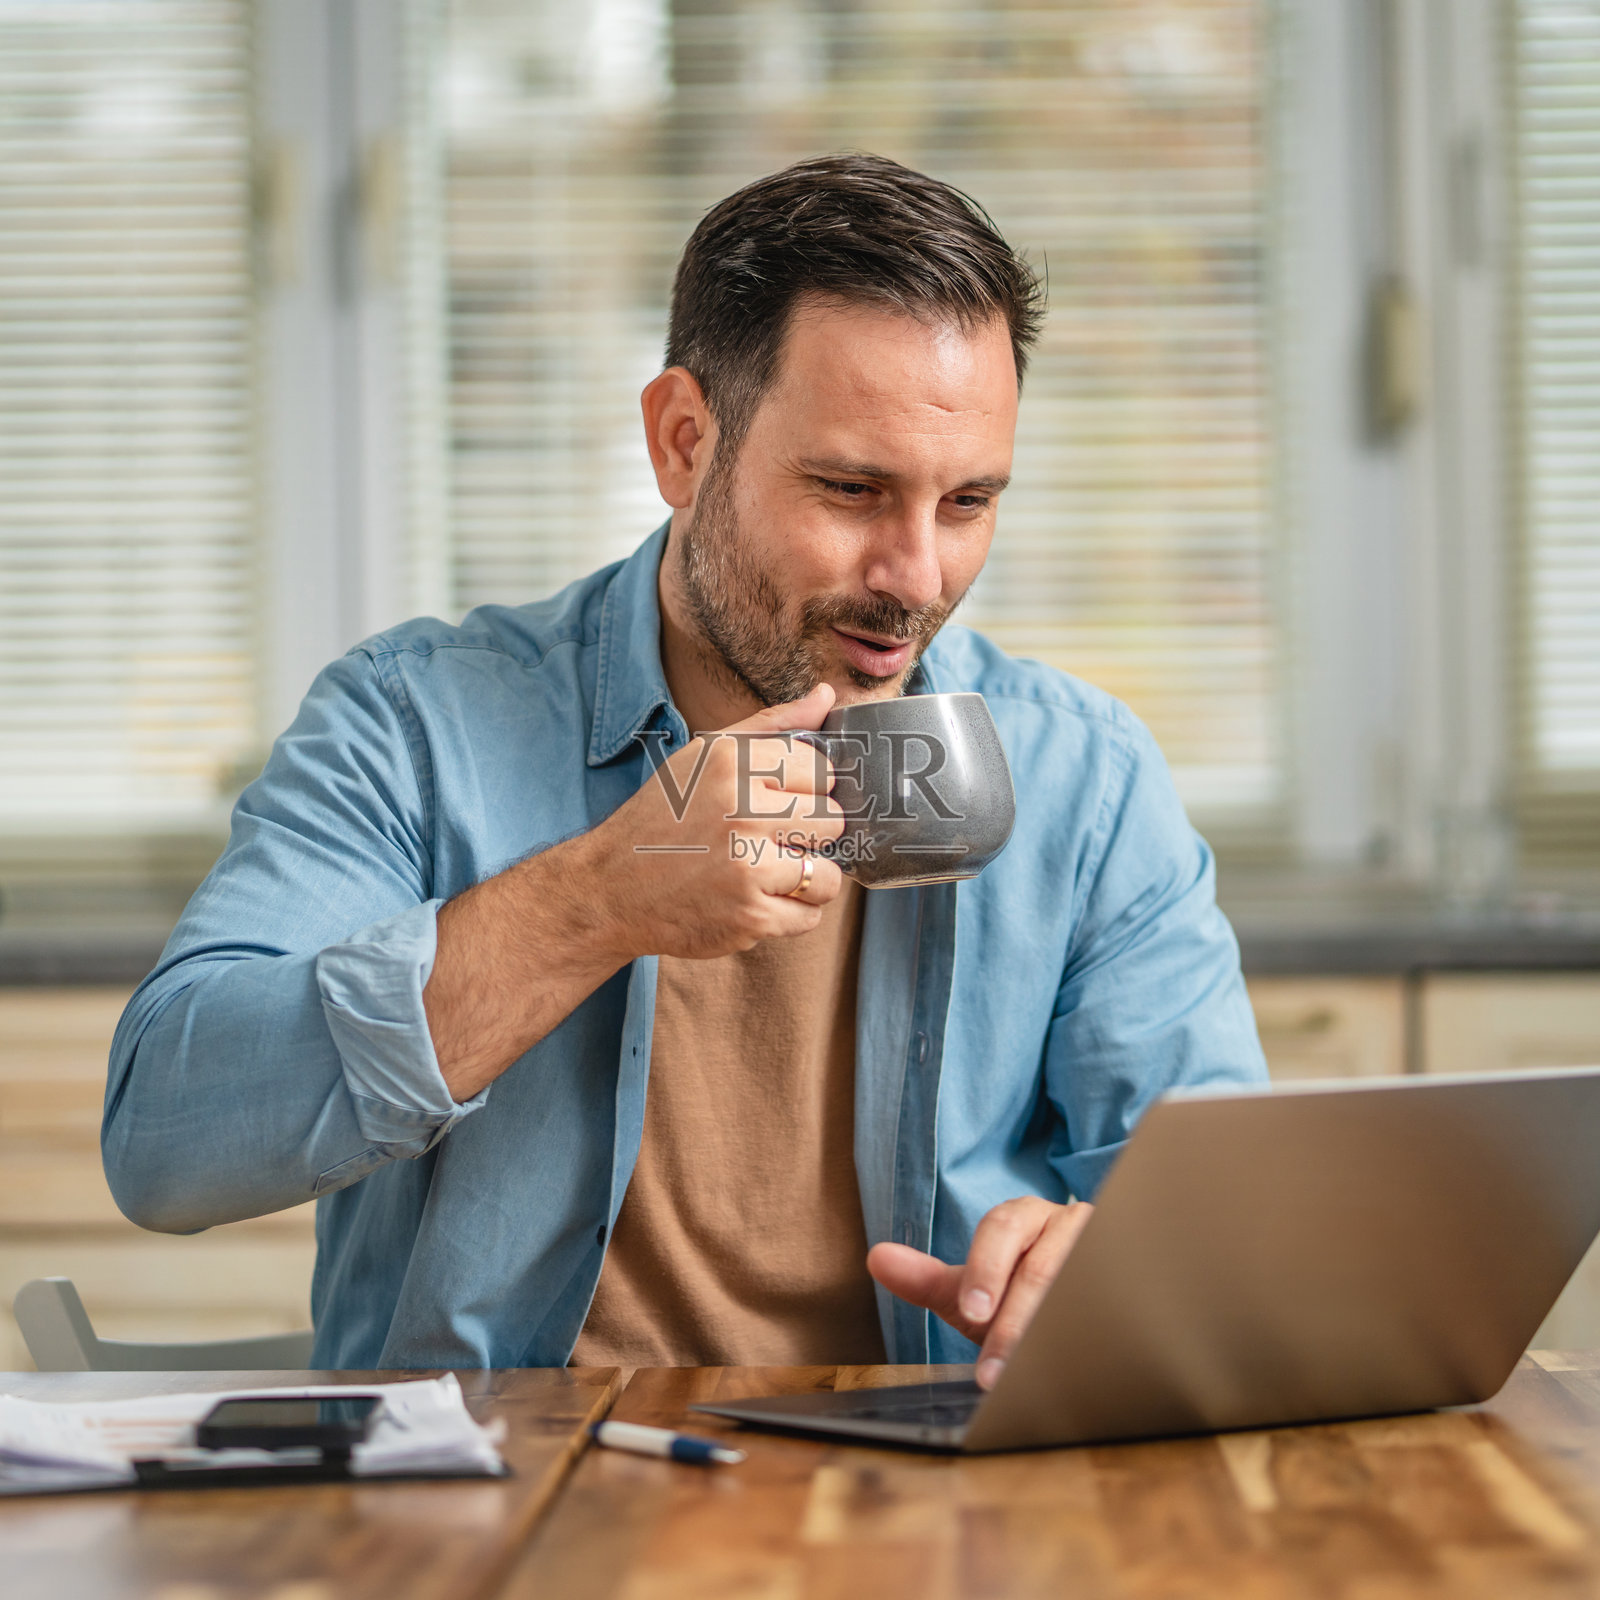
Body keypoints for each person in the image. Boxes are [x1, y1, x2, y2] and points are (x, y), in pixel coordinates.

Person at [104, 154, 1266, 1382]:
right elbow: (167, 1141)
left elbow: (1232, 1232)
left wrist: (1106, 1267)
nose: (916, 577)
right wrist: (592, 902)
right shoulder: (413, 725)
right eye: (851, 489)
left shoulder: (1083, 782)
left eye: (968, 500)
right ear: (682, 442)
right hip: (511, 1524)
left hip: (927, 1517)